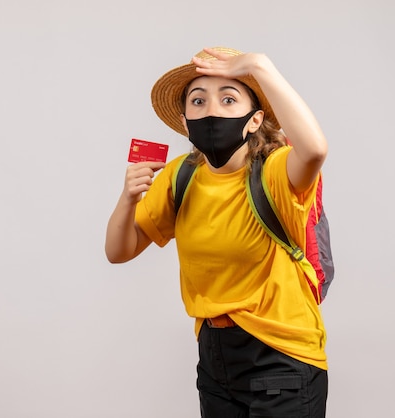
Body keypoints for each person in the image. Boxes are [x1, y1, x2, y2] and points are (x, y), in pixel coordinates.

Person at [105, 46, 329, 417]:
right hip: (215, 359)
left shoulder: (275, 172)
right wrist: (128, 198)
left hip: (281, 357)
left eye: (229, 99)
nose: (211, 110)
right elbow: (118, 251)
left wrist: (259, 66)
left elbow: (315, 150)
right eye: (198, 100)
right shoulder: (182, 175)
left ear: (255, 120)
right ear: (184, 118)